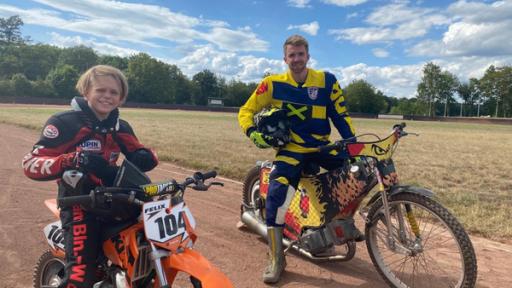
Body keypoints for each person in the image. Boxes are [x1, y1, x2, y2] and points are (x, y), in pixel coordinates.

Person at [238, 35, 363, 284]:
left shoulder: (327, 81)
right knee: (276, 194)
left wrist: (352, 143)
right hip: (291, 151)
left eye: (300, 54)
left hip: (321, 147)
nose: (296, 59)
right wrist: (253, 133)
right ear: (285, 58)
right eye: (291, 55)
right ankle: (276, 258)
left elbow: (340, 115)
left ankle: (340, 224)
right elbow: (246, 111)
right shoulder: (271, 84)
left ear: (308, 56)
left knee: (357, 174)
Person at [22, 65, 158, 288]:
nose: (107, 96)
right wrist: (71, 160)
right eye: (101, 90)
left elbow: (139, 152)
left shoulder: (120, 126)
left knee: (145, 250)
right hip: (78, 201)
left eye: (114, 92)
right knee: (81, 276)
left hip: (115, 197)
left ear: (121, 97)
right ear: (86, 91)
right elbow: (30, 163)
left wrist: (145, 157)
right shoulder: (64, 123)